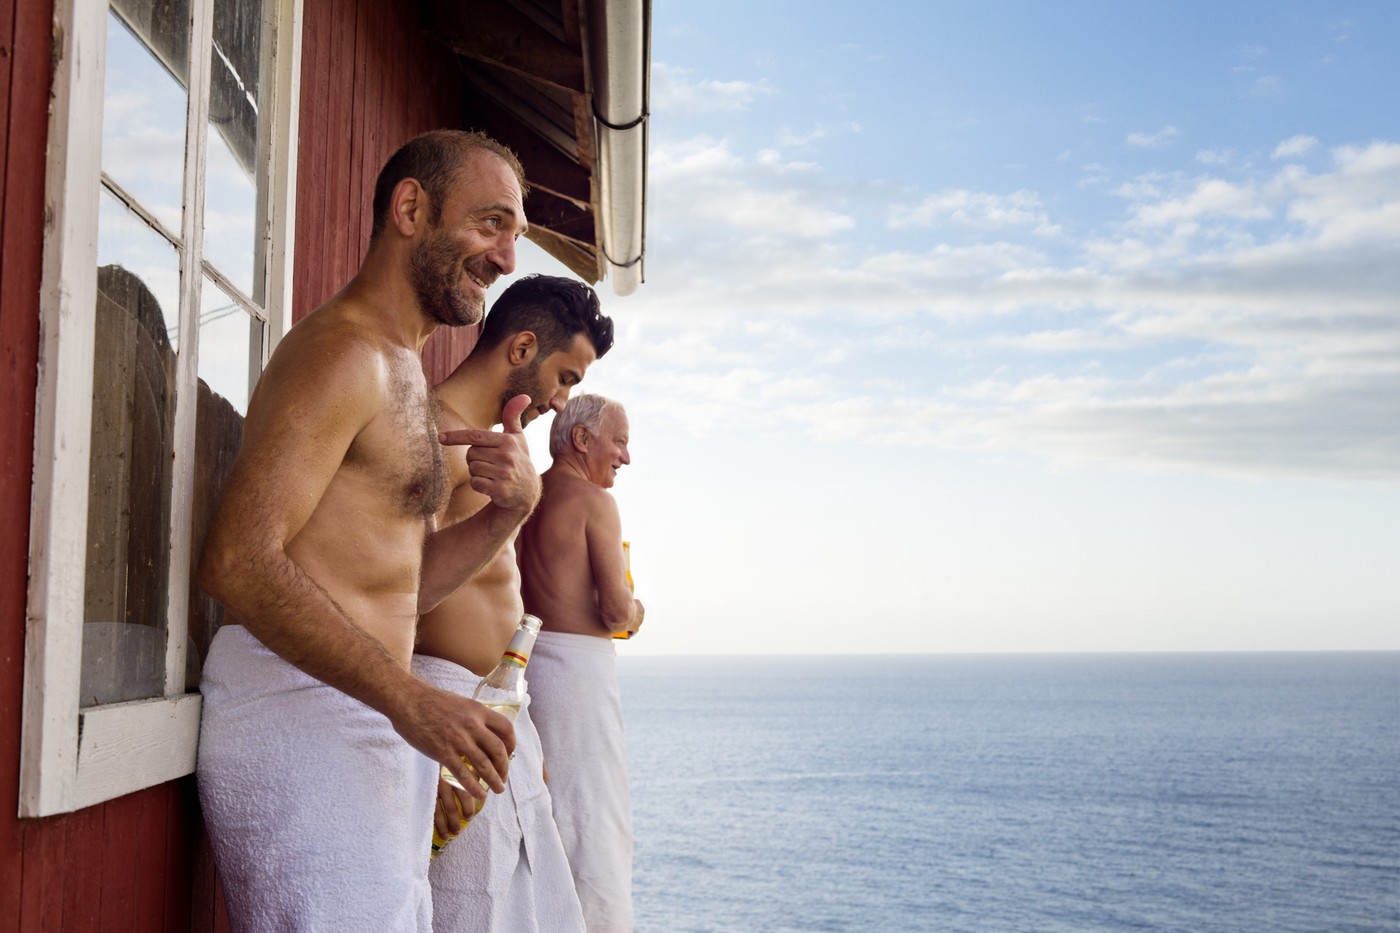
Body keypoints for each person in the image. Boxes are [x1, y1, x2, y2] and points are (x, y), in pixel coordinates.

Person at [195, 129, 539, 932]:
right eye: (492, 224)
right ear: (411, 209)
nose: (506, 259)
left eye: (515, 235)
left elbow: (403, 586)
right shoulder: (343, 353)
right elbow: (238, 561)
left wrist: (508, 512)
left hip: (367, 721)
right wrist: (410, 700)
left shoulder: (405, 368)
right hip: (302, 715)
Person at [413, 274, 615, 932]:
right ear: (523, 348)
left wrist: (528, 736)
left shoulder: (501, 446)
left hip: (502, 717)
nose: (562, 402)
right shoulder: (431, 432)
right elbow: (397, 593)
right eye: (565, 377)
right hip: (452, 719)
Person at [516, 393, 643, 933]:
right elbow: (615, 609)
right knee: (595, 821)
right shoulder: (595, 503)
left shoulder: (528, 496)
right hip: (580, 673)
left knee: (545, 812)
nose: (625, 457)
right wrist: (638, 612)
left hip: (528, 663)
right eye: (619, 442)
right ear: (582, 439)